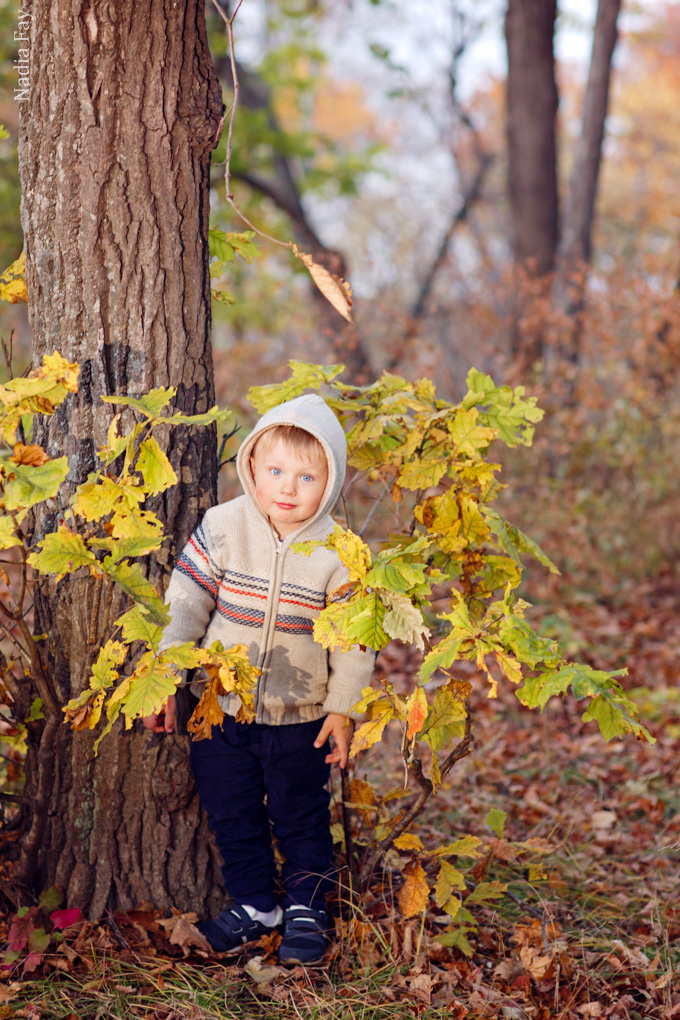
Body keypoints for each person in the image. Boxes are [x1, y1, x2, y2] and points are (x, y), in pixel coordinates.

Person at [143, 394, 374, 965]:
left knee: (301, 816)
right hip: (220, 710)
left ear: (331, 482)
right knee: (233, 812)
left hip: (301, 718)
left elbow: (354, 639)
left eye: (306, 477)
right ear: (251, 465)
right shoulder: (224, 526)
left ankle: (306, 908)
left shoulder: (340, 552)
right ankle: (254, 905)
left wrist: (342, 708)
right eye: (275, 471)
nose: (287, 488)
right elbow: (185, 604)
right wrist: (166, 677)